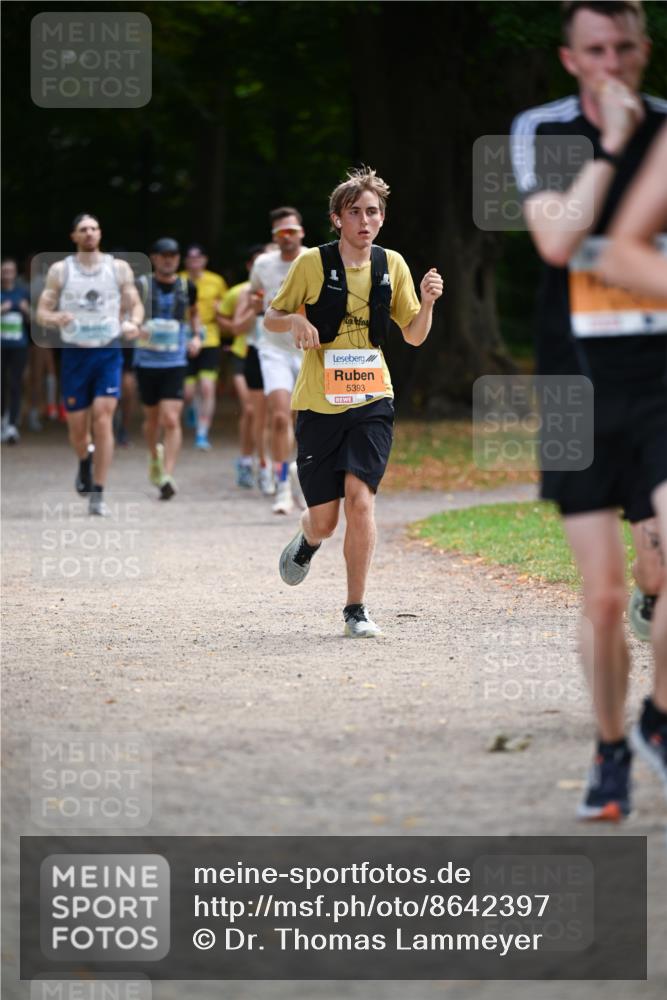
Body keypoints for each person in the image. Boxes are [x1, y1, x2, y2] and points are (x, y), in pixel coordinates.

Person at [510, 0, 667, 818]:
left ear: (643, 50)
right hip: (574, 384)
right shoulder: (543, 132)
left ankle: (660, 720)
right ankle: (610, 748)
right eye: (594, 49)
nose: (611, 62)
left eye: (625, 47)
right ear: (571, 60)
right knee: (604, 596)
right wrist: (609, 147)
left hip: (658, 378)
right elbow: (556, 242)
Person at [265, 166, 443, 638]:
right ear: (336, 219)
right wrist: (297, 324)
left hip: (372, 396)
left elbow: (415, 337)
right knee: (325, 521)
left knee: (360, 500)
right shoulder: (312, 263)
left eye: (373, 212)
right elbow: (271, 316)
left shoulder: (393, 265)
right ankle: (307, 540)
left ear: (382, 218)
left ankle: (356, 609)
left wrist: (426, 304)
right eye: (355, 213)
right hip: (319, 401)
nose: (365, 221)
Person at [36, 214, 144, 515]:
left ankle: (98, 491)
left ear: (100, 233)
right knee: (77, 428)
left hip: (108, 351)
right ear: (74, 236)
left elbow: (134, 302)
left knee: (103, 416)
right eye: (83, 229)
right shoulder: (61, 270)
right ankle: (84, 458)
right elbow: (42, 310)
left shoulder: (117, 268)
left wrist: (134, 322)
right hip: (74, 353)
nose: (89, 233)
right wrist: (55, 317)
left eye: (94, 228)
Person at [135, 238, 202, 500]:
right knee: (151, 420)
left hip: (175, 361)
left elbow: (194, 313)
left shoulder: (187, 286)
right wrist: (134, 326)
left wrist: (196, 336)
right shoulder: (141, 286)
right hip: (147, 361)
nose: (168, 259)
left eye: (173, 255)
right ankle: (155, 456)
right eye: (163, 255)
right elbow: (127, 313)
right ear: (154, 257)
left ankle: (167, 475)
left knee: (171, 419)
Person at [251, 207, 308, 513]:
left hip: (309, 349)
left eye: (291, 231)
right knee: (279, 417)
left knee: (306, 421)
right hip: (273, 348)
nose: (286, 237)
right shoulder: (263, 264)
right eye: (280, 233)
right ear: (274, 237)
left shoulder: (315, 259)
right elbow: (254, 296)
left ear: (301, 232)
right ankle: (282, 487)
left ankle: (304, 480)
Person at [217, 244, 273, 490]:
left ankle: (270, 462)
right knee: (251, 410)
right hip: (245, 354)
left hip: (276, 354)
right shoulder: (242, 293)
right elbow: (232, 325)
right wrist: (254, 309)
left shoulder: (285, 286)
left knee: (276, 415)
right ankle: (248, 459)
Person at [181, 244, 227, 450]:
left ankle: (202, 433)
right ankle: (191, 408)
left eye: (198, 257)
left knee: (207, 387)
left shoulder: (216, 281)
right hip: (183, 336)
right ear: (185, 261)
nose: (194, 261)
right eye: (190, 258)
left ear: (205, 260)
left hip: (210, 338)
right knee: (188, 392)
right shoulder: (179, 280)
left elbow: (225, 309)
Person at [1, 258, 30, 444]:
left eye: (10, 271)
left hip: (19, 346)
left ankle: (12, 424)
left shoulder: (22, 293)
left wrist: (26, 310)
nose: (7, 274)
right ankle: (2, 420)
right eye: (4, 271)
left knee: (16, 383)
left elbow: (33, 320)